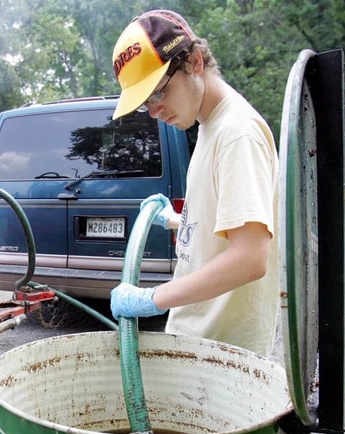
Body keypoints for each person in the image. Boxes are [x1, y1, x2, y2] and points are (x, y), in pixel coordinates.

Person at [109, 10, 279, 357]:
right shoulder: (209, 126)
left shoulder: (237, 134)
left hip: (224, 356)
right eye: (145, 104)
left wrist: (152, 297)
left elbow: (250, 256)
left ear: (195, 61)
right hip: (200, 342)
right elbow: (224, 226)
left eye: (157, 94)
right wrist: (173, 219)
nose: (154, 112)